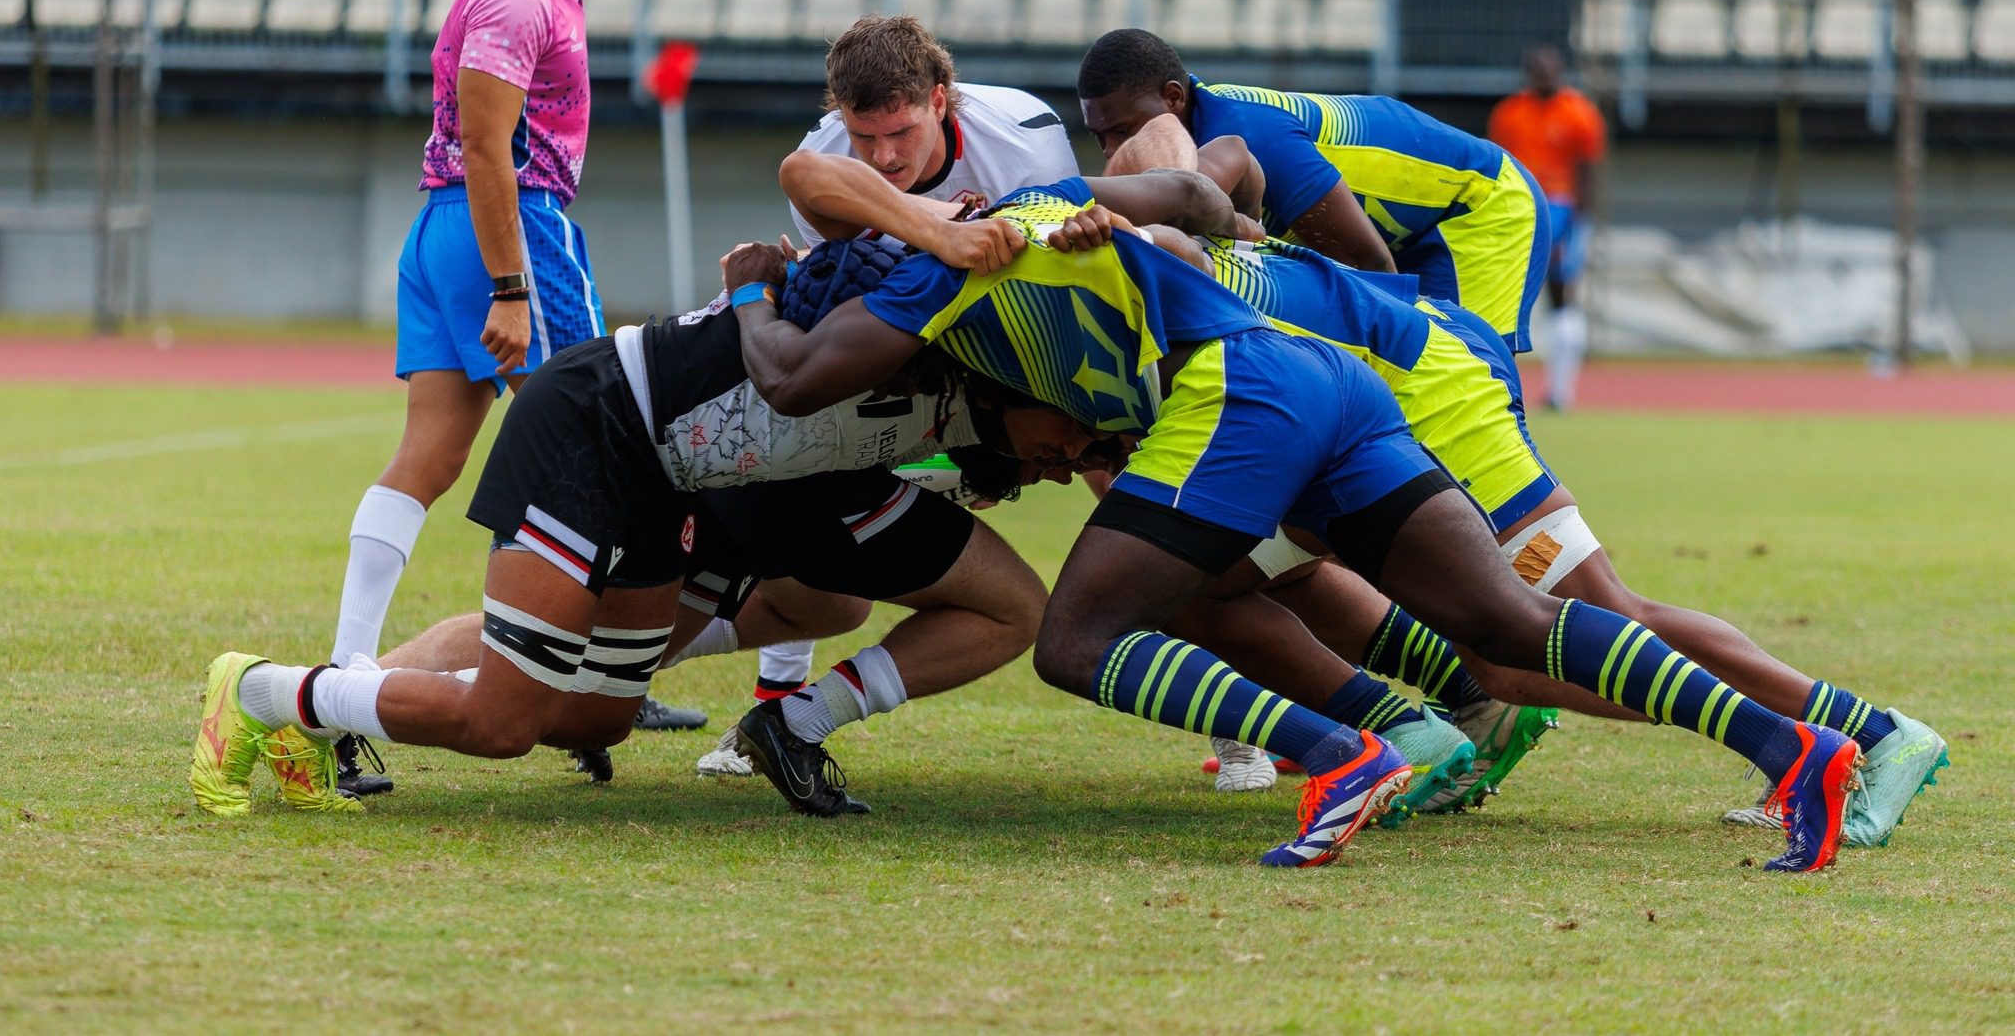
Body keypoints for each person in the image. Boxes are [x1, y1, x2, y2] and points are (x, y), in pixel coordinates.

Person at [725, 155, 1869, 872]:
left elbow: (793, 367)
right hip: (1324, 377)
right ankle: (1794, 748)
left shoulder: (935, 275)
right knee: (1509, 623)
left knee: (1075, 640)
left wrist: (750, 292)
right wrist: (1165, 239)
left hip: (1237, 393)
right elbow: (1183, 202)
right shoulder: (1037, 202)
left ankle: (1339, 753)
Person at [188, 244, 1107, 822]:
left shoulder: (967, 413)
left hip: (671, 483)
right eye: (1075, 428)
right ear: (1019, 380)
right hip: (593, 427)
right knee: (505, 722)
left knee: (600, 716)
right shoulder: (901, 339)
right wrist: (759, 286)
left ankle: (314, 714)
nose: (1073, 456)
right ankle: (265, 690)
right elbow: (808, 240)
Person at [1161, 230, 1946, 844]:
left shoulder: (1165, 183)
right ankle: (1408, 723)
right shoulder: (1153, 208)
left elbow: (1224, 174)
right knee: (1492, 667)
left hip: (1430, 390)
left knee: (1596, 612)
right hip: (1365, 391)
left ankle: (1872, 736)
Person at [325, 0, 692, 801]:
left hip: (445, 227)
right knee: (603, 450)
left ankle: (345, 681)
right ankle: (579, 677)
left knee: (429, 459)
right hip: (510, 228)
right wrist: (512, 286)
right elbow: (490, 149)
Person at [701, 13, 1084, 779]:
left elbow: (1051, 296)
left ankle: (1234, 729)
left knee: (1127, 471)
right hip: (906, 360)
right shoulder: (822, 154)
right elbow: (839, 304)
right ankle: (773, 702)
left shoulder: (1025, 142)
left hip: (1017, 351)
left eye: (900, 132)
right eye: (863, 137)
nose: (881, 156)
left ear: (941, 99)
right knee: (814, 460)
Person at [1075, 28, 1549, 352]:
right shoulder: (1201, 143)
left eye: (1123, 130)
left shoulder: (1256, 136)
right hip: (1403, 230)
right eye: (1100, 137)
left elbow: (1371, 266)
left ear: (1174, 97)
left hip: (1479, 205)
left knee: (1466, 374)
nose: (1113, 150)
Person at [1486, 46, 1608, 410]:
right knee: (1502, 295)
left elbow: (1588, 170)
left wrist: (1576, 224)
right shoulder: (1509, 112)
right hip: (1517, 205)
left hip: (1559, 207)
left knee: (1560, 293)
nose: (1544, 75)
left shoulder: (1579, 112)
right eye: (1537, 69)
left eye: (1550, 69)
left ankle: (1560, 390)